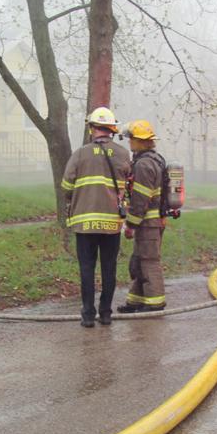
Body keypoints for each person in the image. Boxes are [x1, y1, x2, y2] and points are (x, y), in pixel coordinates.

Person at [61, 107, 132, 327]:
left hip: (84, 223)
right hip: (111, 223)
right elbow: (129, 185)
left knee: (87, 269)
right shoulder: (123, 154)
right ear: (112, 129)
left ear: (92, 128)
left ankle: (88, 315)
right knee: (109, 268)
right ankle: (106, 313)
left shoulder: (80, 154)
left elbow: (66, 186)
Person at [117, 119, 167, 313]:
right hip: (150, 222)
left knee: (149, 261)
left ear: (140, 141)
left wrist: (131, 225)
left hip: (148, 222)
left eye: (131, 139)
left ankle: (155, 302)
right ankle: (136, 301)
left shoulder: (144, 165)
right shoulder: (154, 159)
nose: (129, 142)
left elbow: (140, 199)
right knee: (139, 259)